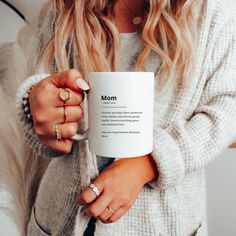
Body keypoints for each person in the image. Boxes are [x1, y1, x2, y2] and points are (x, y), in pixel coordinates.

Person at [11, 0, 236, 235]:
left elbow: (228, 106)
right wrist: (37, 108)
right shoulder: (65, 8)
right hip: (60, 221)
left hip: (165, 224)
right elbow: (42, 93)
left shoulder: (213, 11)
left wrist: (150, 162)